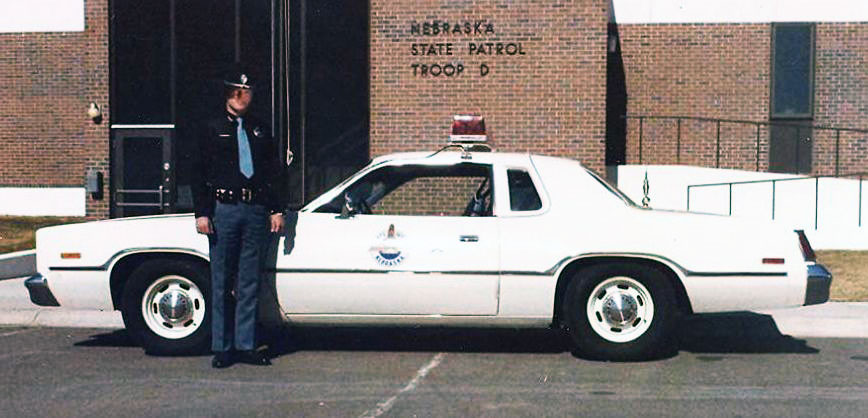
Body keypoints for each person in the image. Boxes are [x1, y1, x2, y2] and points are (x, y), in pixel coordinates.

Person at [191, 64, 285, 368]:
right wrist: (202, 212)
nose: (243, 97)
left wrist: (276, 208)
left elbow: (273, 171)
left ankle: (246, 345)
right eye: (238, 91)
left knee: (249, 281)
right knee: (221, 280)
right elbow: (198, 172)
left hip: (255, 210)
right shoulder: (210, 127)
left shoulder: (259, 128)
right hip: (224, 211)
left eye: (247, 92)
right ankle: (222, 347)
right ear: (228, 93)